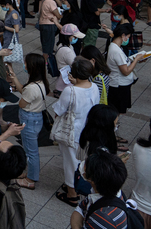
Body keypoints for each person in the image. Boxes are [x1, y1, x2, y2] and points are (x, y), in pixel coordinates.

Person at [53, 57, 101, 206]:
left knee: (70, 163)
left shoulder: (69, 90)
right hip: (87, 130)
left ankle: (72, 194)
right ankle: (77, 184)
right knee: (81, 159)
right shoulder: (93, 86)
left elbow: (58, 110)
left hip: (71, 132)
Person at [7, 53, 49, 189]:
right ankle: (30, 173)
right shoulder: (39, 82)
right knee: (30, 148)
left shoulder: (32, 88)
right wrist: (14, 78)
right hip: (36, 118)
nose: (24, 65)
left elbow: (22, 103)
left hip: (29, 119)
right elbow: (23, 91)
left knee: (31, 151)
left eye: (26, 63)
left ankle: (30, 180)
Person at [70, 149, 129, 229]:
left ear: (92, 180)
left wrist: (75, 225)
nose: (83, 171)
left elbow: (78, 212)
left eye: (85, 171)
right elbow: (81, 208)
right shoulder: (109, 190)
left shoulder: (104, 217)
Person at [106, 24, 142, 117]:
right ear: (123, 35)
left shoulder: (117, 47)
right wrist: (136, 59)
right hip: (119, 86)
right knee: (118, 111)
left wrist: (134, 59)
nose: (128, 40)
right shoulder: (116, 51)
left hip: (121, 84)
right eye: (128, 37)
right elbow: (125, 71)